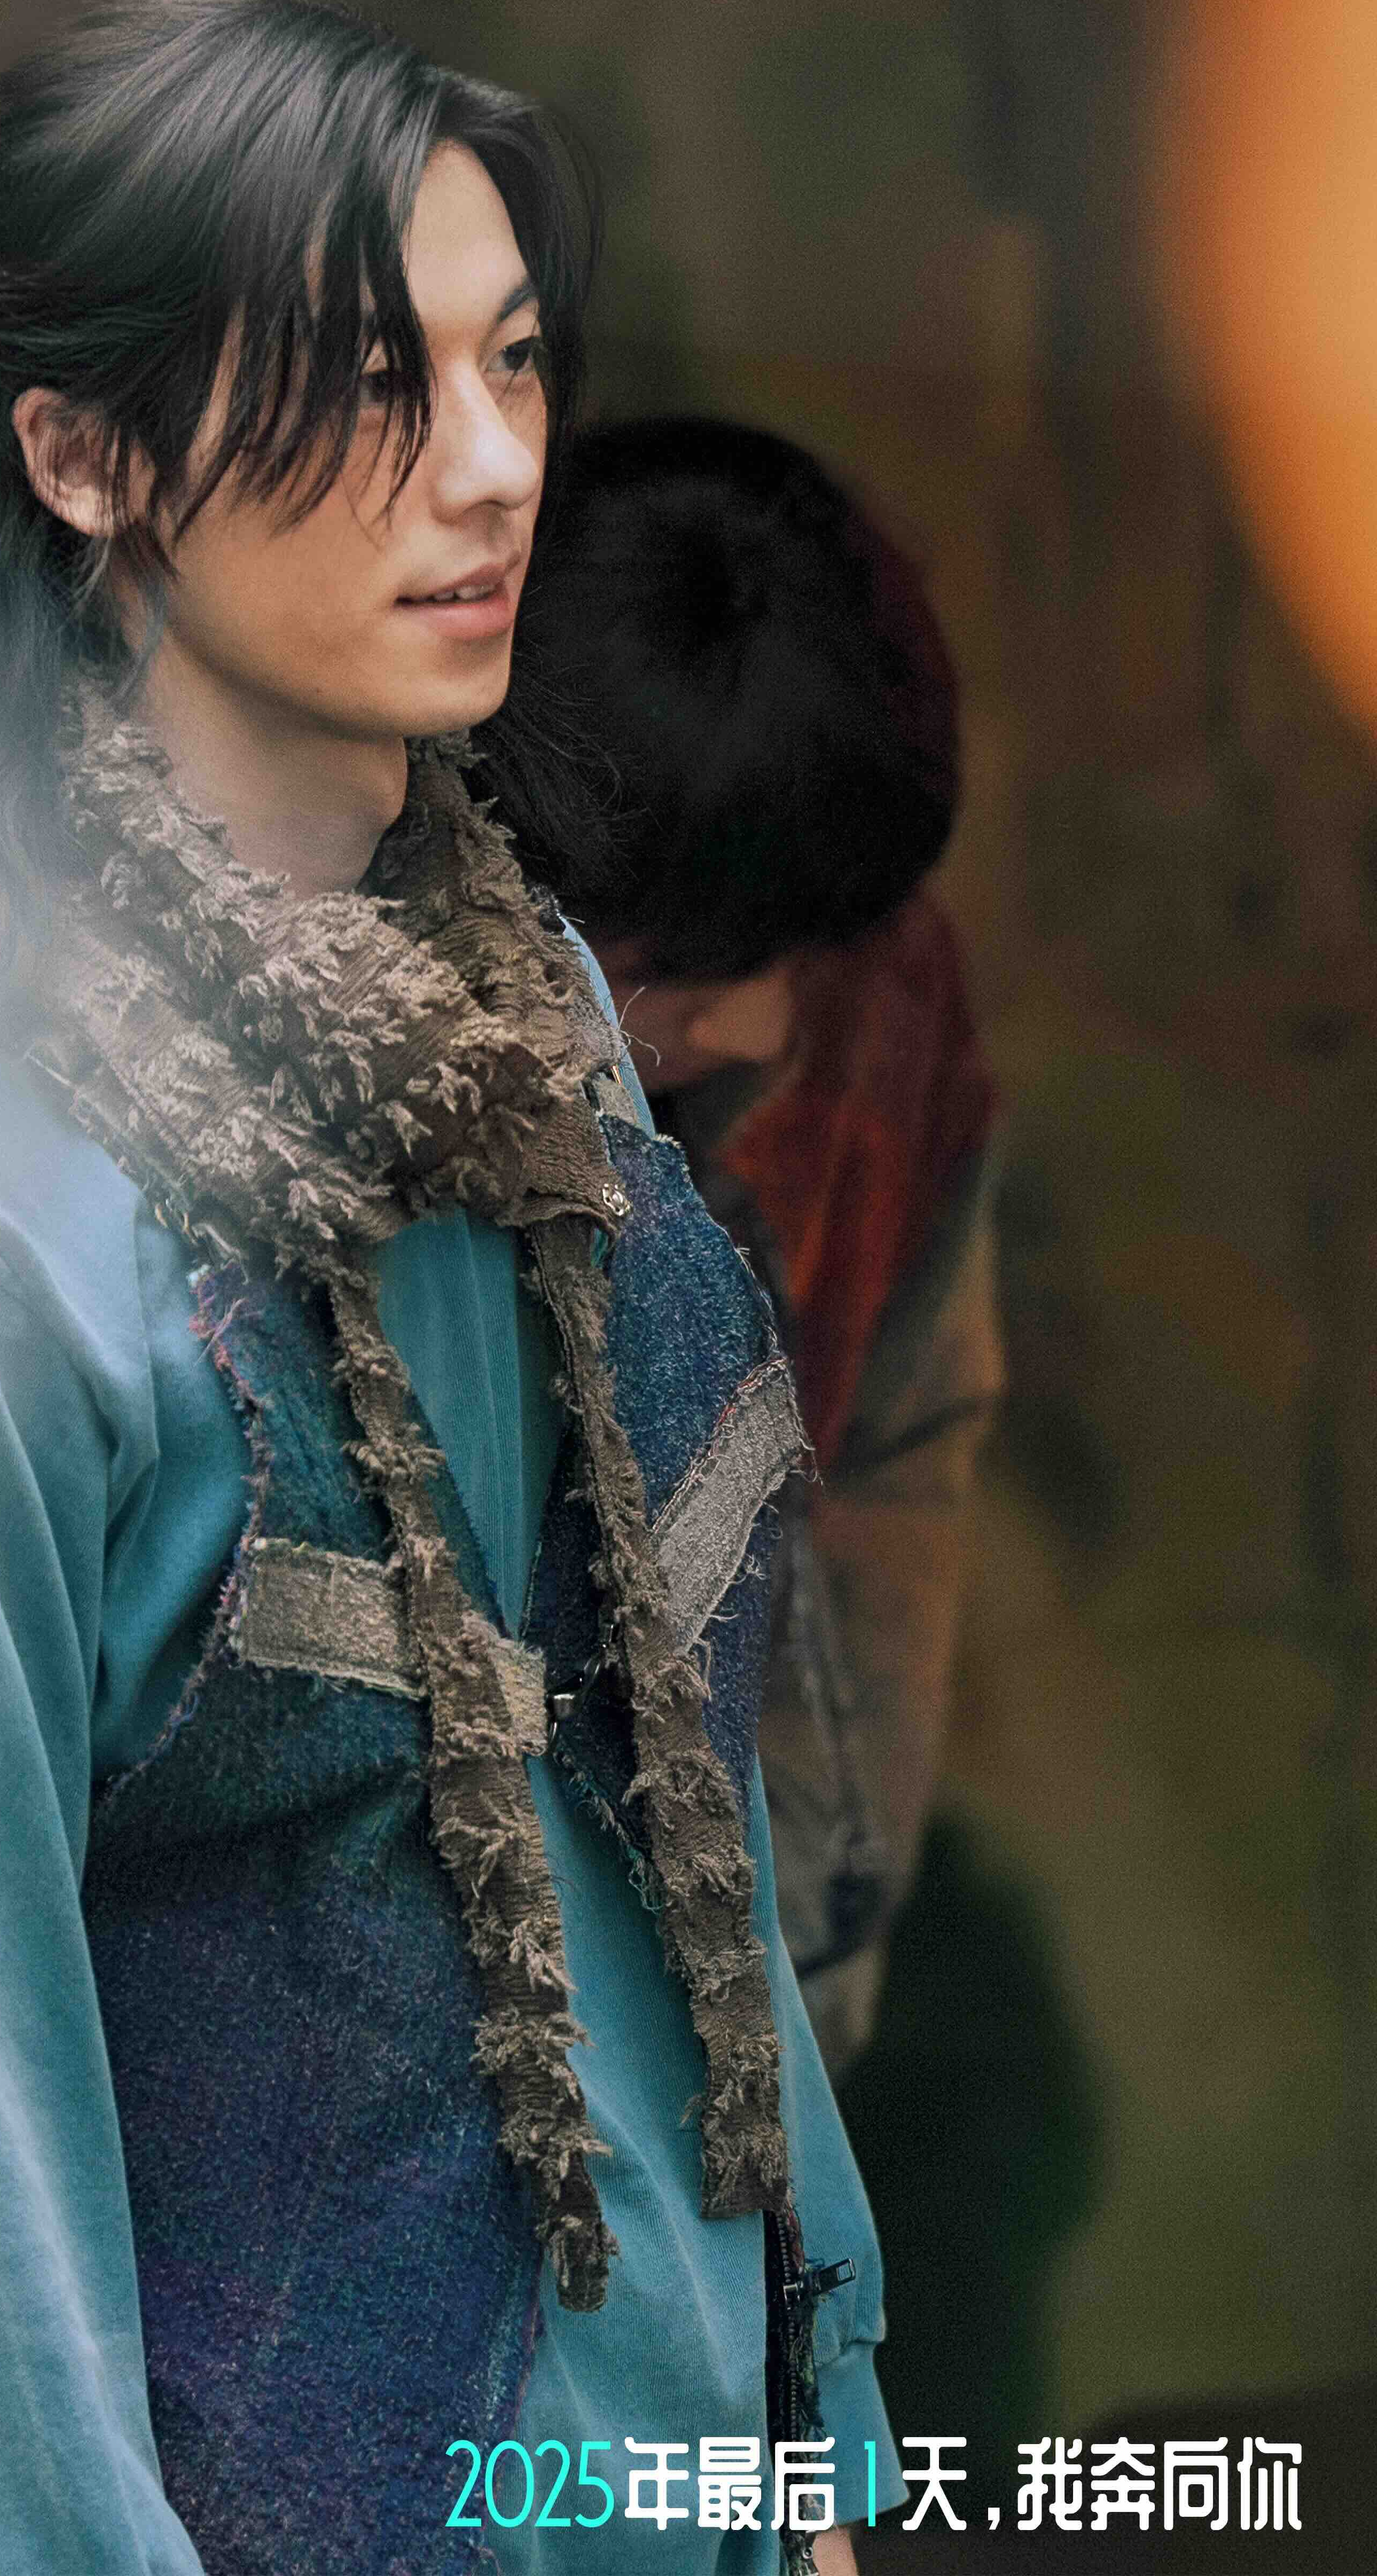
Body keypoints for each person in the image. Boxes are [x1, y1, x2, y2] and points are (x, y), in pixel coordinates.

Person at [0, 0, 898, 2576]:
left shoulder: (527, 1012)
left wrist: (822, 2438)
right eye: (364, 382)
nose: (491, 466)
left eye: (513, 362)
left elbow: (661, 1806)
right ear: (82, 453)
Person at [514, 419, 1004, 2080]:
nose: (766, 1026)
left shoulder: (888, 1008)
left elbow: (895, 1485)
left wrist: (802, 2011)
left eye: (807, 950)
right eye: (691, 965)